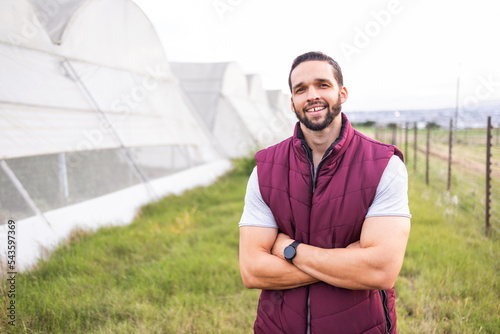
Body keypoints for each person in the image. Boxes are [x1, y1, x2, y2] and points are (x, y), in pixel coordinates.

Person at [238, 51, 411, 334]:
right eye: (301, 89)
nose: (312, 95)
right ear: (292, 101)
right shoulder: (265, 169)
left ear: (342, 93)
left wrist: (288, 249)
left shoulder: (385, 165)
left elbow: (380, 270)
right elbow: (253, 269)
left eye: (322, 84)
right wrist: (346, 263)